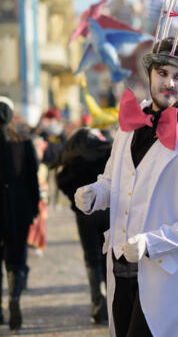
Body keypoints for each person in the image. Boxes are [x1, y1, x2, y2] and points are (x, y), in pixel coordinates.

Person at [73, 35, 178, 336]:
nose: (170, 83)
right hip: (119, 265)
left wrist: (152, 242)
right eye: (163, 73)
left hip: (163, 272)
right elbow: (113, 181)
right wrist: (95, 193)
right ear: (150, 73)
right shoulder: (129, 124)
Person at [54, 128, 112, 324]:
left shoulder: (74, 162)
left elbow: (61, 181)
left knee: (91, 259)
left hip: (84, 216)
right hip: (108, 213)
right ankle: (111, 303)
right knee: (107, 258)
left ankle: (98, 305)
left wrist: (74, 199)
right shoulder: (107, 153)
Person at [0, 96, 40, 330]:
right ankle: (14, 298)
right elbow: (33, 179)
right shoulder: (22, 138)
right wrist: (33, 208)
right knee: (16, 260)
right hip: (19, 209)